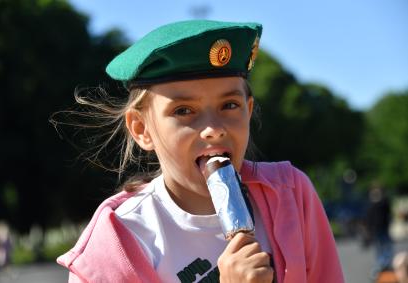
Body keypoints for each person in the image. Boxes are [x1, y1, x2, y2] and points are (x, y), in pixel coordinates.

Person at [55, 20, 344, 283]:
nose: (213, 128)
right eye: (183, 110)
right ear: (141, 128)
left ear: (249, 111)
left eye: (229, 105)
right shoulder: (115, 247)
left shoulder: (291, 194)